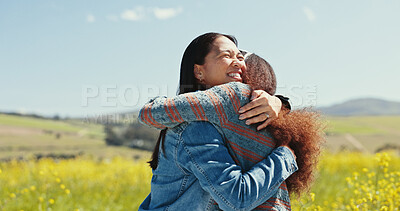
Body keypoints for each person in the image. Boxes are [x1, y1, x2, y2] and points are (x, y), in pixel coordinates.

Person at [140, 52, 325, 210]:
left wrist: (279, 104)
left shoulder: (208, 125)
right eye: (226, 57)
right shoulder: (200, 125)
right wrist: (286, 153)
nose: (236, 64)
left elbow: (237, 199)